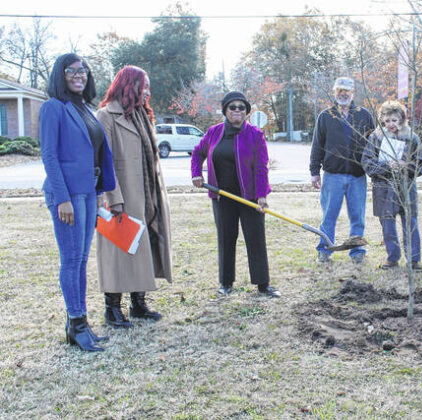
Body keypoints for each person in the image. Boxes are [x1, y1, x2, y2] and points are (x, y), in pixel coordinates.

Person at [40, 53, 116, 351]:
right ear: (60, 76)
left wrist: (98, 194)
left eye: (82, 70)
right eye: (71, 71)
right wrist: (62, 199)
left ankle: (79, 325)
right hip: (67, 196)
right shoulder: (53, 108)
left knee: (82, 260)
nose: (78, 75)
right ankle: (77, 323)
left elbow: (94, 154)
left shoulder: (84, 108)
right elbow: (49, 155)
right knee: (71, 260)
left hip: (87, 192)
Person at [96, 66, 173, 328]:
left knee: (144, 247)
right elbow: (101, 161)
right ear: (129, 85)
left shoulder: (142, 115)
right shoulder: (106, 116)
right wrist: (113, 197)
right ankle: (112, 308)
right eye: (144, 85)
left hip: (146, 194)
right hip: (121, 196)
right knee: (119, 250)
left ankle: (138, 303)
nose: (148, 90)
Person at [191, 91, 279, 298]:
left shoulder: (255, 134)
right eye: (233, 107)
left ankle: (262, 284)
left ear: (247, 112)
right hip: (221, 196)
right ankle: (226, 282)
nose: (237, 111)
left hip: (249, 197)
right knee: (226, 238)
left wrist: (262, 194)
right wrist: (196, 174)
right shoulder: (213, 132)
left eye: (242, 107)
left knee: (255, 239)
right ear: (225, 111)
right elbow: (197, 153)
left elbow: (261, 166)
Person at [309, 77, 375, 263]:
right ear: (334, 92)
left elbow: (372, 145)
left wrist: (374, 168)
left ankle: (356, 251)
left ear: (353, 92)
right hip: (332, 176)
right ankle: (324, 249)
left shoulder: (364, 115)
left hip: (357, 176)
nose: (343, 94)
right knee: (329, 216)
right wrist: (314, 171)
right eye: (339, 90)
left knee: (357, 216)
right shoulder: (326, 116)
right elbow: (317, 145)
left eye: (347, 90)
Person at [362, 101, 422, 270]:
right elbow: (367, 163)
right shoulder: (376, 137)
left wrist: (405, 165)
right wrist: (386, 166)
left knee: (410, 224)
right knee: (387, 224)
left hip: (406, 189)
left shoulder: (411, 138)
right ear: (382, 120)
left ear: (402, 119)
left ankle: (414, 260)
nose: (391, 124)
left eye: (395, 120)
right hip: (383, 189)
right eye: (387, 120)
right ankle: (392, 257)